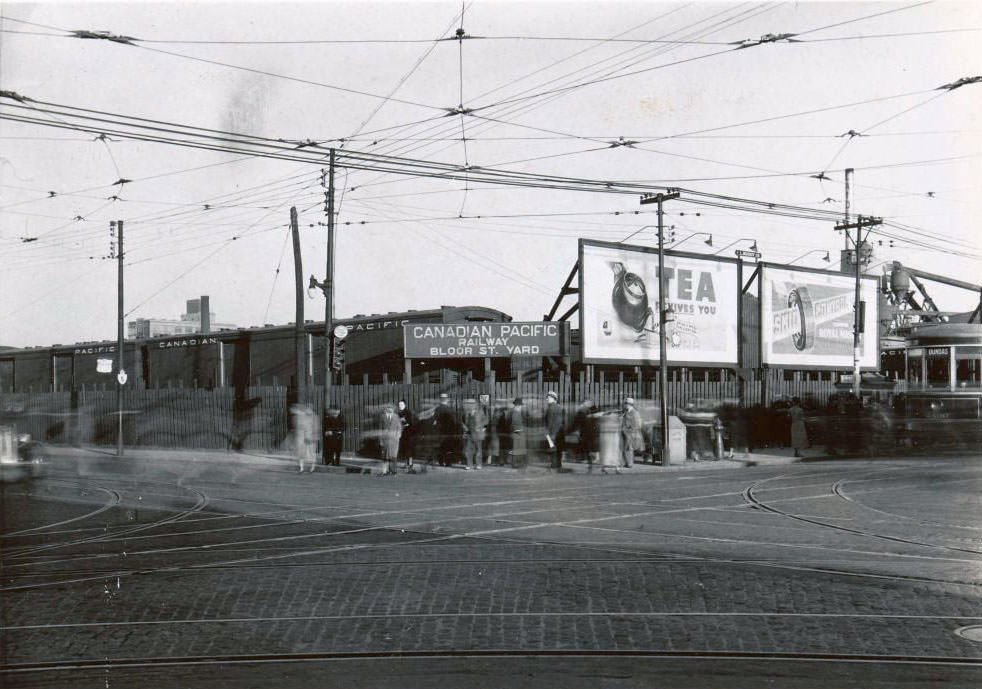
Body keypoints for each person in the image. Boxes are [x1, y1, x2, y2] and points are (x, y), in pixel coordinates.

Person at [433, 393, 459, 466]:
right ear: (447, 400)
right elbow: (454, 421)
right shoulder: (450, 409)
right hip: (449, 431)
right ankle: (448, 462)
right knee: (448, 447)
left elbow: (434, 421)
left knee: (441, 446)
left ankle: (441, 462)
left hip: (440, 431)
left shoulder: (437, 409)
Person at [291, 403, 316, 473]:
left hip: (308, 436)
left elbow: (311, 428)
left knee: (310, 452)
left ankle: (312, 467)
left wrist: (309, 436)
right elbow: (296, 427)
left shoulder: (310, 417)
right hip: (300, 437)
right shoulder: (296, 417)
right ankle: (301, 468)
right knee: (301, 453)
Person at [463, 398, 487, 470]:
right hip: (469, 433)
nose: (470, 405)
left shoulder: (480, 412)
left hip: (478, 434)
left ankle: (478, 464)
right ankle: (469, 465)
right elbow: (463, 422)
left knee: (478, 449)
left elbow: (486, 421)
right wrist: (465, 428)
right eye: (469, 404)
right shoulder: (466, 413)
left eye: (472, 404)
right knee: (468, 450)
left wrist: (482, 428)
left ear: (475, 405)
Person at [620, 397, 643, 469]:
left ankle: (629, 463)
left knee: (629, 448)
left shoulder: (635, 413)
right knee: (625, 448)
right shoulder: (626, 412)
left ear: (630, 404)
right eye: (625, 403)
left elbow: (637, 424)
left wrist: (628, 429)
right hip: (625, 432)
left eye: (626, 403)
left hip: (631, 433)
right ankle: (626, 462)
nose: (625, 405)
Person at [378, 404, 401, 476]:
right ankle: (384, 471)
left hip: (394, 441)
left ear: (393, 410)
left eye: (391, 408)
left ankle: (393, 471)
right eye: (388, 408)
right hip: (385, 440)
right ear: (386, 409)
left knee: (393, 456)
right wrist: (381, 440)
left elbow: (399, 427)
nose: (389, 409)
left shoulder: (396, 417)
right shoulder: (383, 417)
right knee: (384, 456)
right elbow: (380, 429)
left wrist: (398, 437)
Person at [544, 391, 564, 470]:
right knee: (559, 448)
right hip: (559, 432)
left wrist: (547, 433)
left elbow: (549, 421)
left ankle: (554, 464)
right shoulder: (560, 407)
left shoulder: (550, 408)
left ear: (554, 399)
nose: (547, 399)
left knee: (552, 448)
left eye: (548, 398)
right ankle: (559, 464)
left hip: (552, 432)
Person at [396, 399, 417, 473]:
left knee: (409, 449)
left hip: (408, 433)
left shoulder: (408, 412)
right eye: (399, 405)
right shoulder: (398, 413)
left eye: (401, 405)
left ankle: (410, 464)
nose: (400, 406)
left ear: (405, 405)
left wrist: (403, 425)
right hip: (402, 433)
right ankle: (406, 463)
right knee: (404, 449)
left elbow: (410, 422)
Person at [509, 397, 527, 469]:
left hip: (517, 431)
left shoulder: (515, 412)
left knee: (517, 448)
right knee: (517, 448)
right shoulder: (515, 412)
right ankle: (516, 463)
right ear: (518, 405)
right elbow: (514, 423)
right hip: (517, 431)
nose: (520, 407)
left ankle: (516, 463)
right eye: (519, 405)